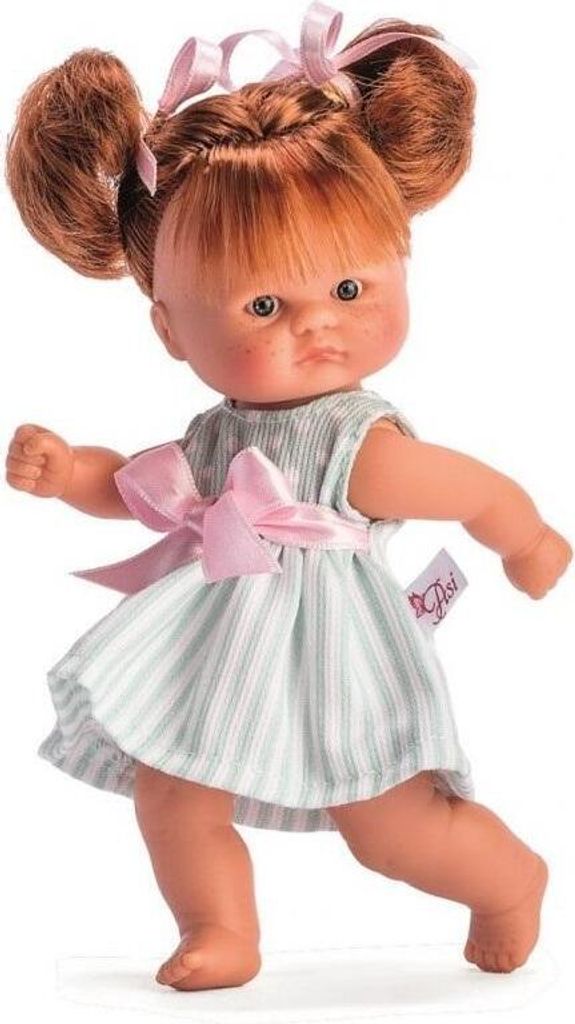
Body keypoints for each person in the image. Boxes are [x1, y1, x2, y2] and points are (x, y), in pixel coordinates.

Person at [5, 1, 571, 994]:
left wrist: (525, 542)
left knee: (387, 826)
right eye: (264, 305)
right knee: (173, 788)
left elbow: (474, 489)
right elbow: (145, 488)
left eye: (349, 290)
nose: (316, 326)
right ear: (170, 329)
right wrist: (69, 473)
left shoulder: (357, 445)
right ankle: (219, 926)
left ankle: (507, 879)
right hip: (220, 644)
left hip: (334, 653)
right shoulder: (218, 432)